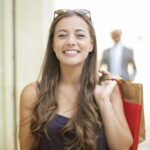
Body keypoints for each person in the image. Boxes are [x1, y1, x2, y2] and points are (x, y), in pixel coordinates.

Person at [19, 9, 133, 150]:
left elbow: (122, 147)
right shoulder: (32, 93)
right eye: (62, 35)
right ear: (53, 44)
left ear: (91, 44)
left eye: (79, 35)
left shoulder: (108, 90)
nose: (71, 42)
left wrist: (104, 102)